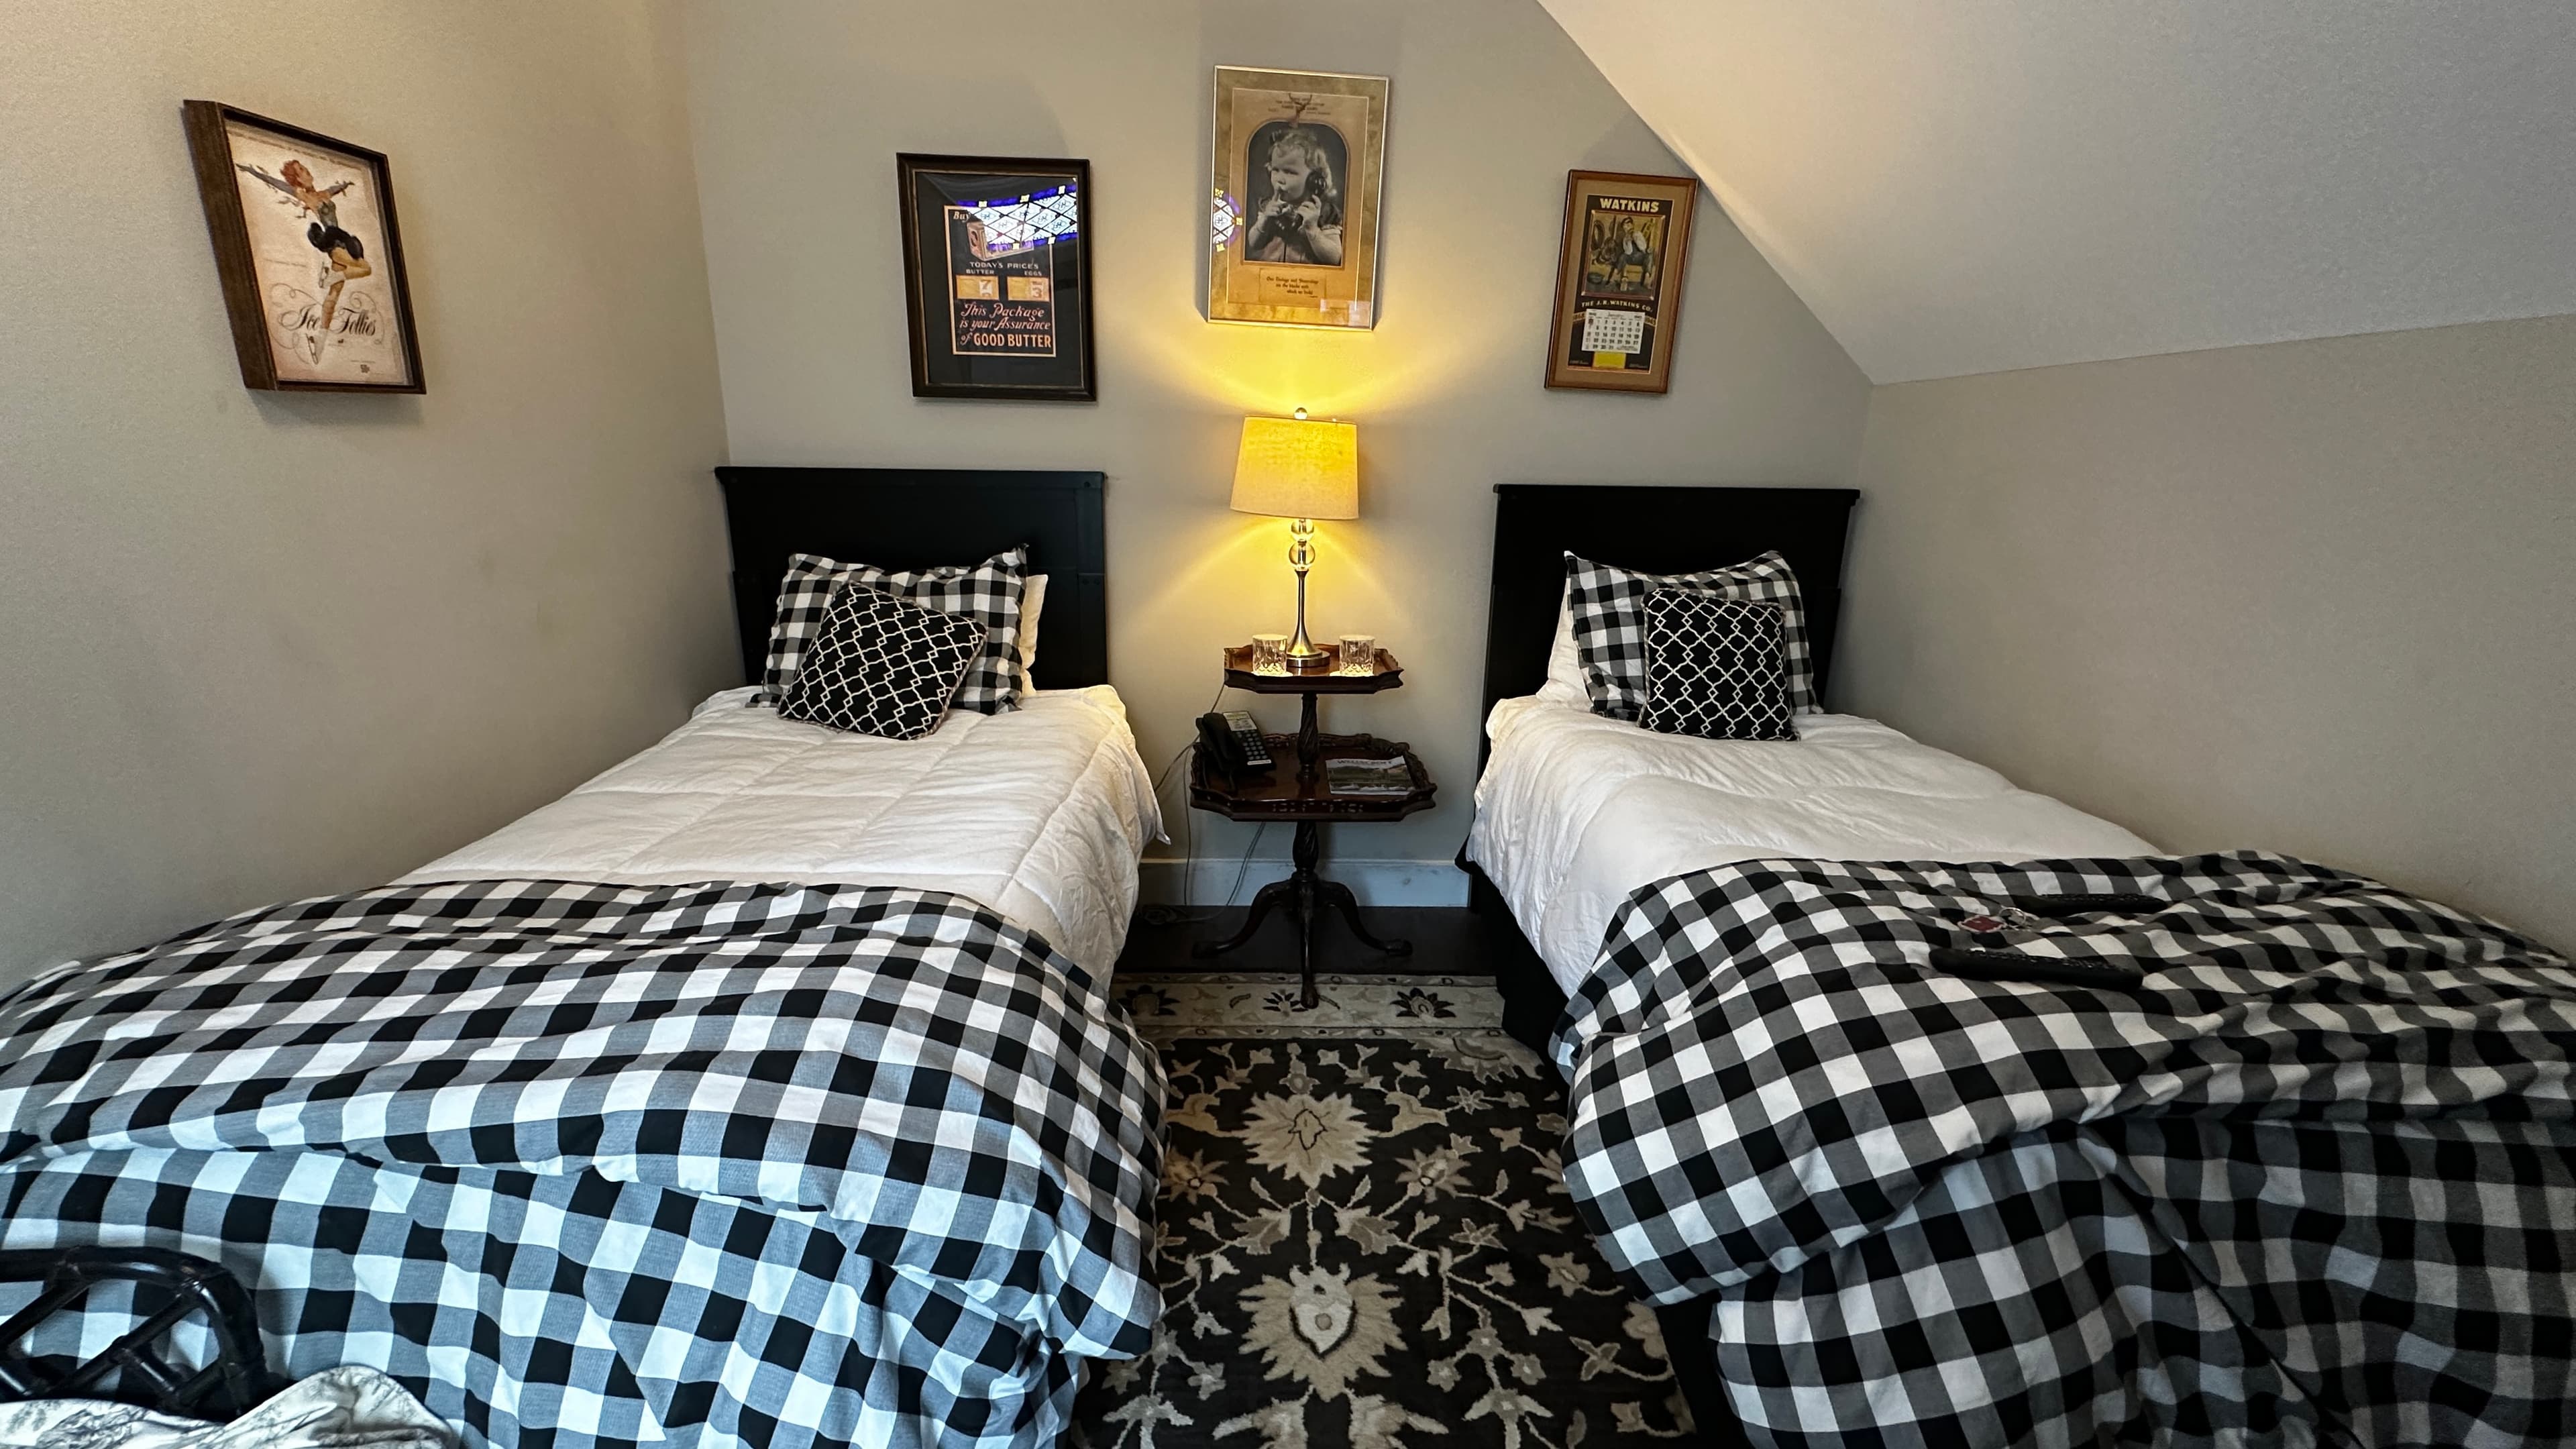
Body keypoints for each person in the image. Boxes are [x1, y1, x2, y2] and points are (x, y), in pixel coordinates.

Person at [1245, 125, 1344, 266]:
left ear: (1315, 180)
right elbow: (1254, 243)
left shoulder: (1324, 213)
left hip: (1306, 283)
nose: (1279, 179)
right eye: (1275, 170)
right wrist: (1265, 219)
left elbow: (1334, 258)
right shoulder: (1270, 205)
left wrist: (1312, 230)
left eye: (1290, 172)